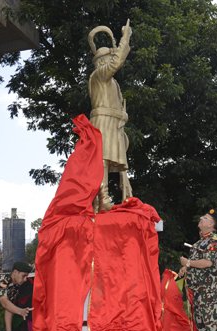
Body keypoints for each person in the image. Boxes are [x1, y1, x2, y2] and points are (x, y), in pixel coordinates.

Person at [88, 21, 133, 211]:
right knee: (102, 160)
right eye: (107, 58)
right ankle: (102, 197)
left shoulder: (113, 83)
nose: (110, 61)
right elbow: (116, 63)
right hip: (102, 121)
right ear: (100, 61)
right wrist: (125, 38)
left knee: (107, 160)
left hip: (113, 123)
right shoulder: (99, 75)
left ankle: (102, 200)